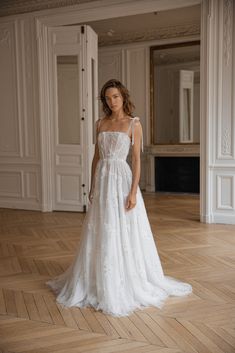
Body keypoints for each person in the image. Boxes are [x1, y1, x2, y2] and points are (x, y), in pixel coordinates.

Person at [46, 79, 192, 317]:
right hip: (103, 179)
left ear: (123, 97)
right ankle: (98, 278)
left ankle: (125, 277)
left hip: (122, 180)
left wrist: (134, 191)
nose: (111, 101)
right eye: (107, 98)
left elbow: (135, 160)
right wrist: (92, 184)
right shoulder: (100, 123)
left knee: (123, 227)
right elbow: (96, 156)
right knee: (102, 227)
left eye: (115, 96)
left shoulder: (134, 124)